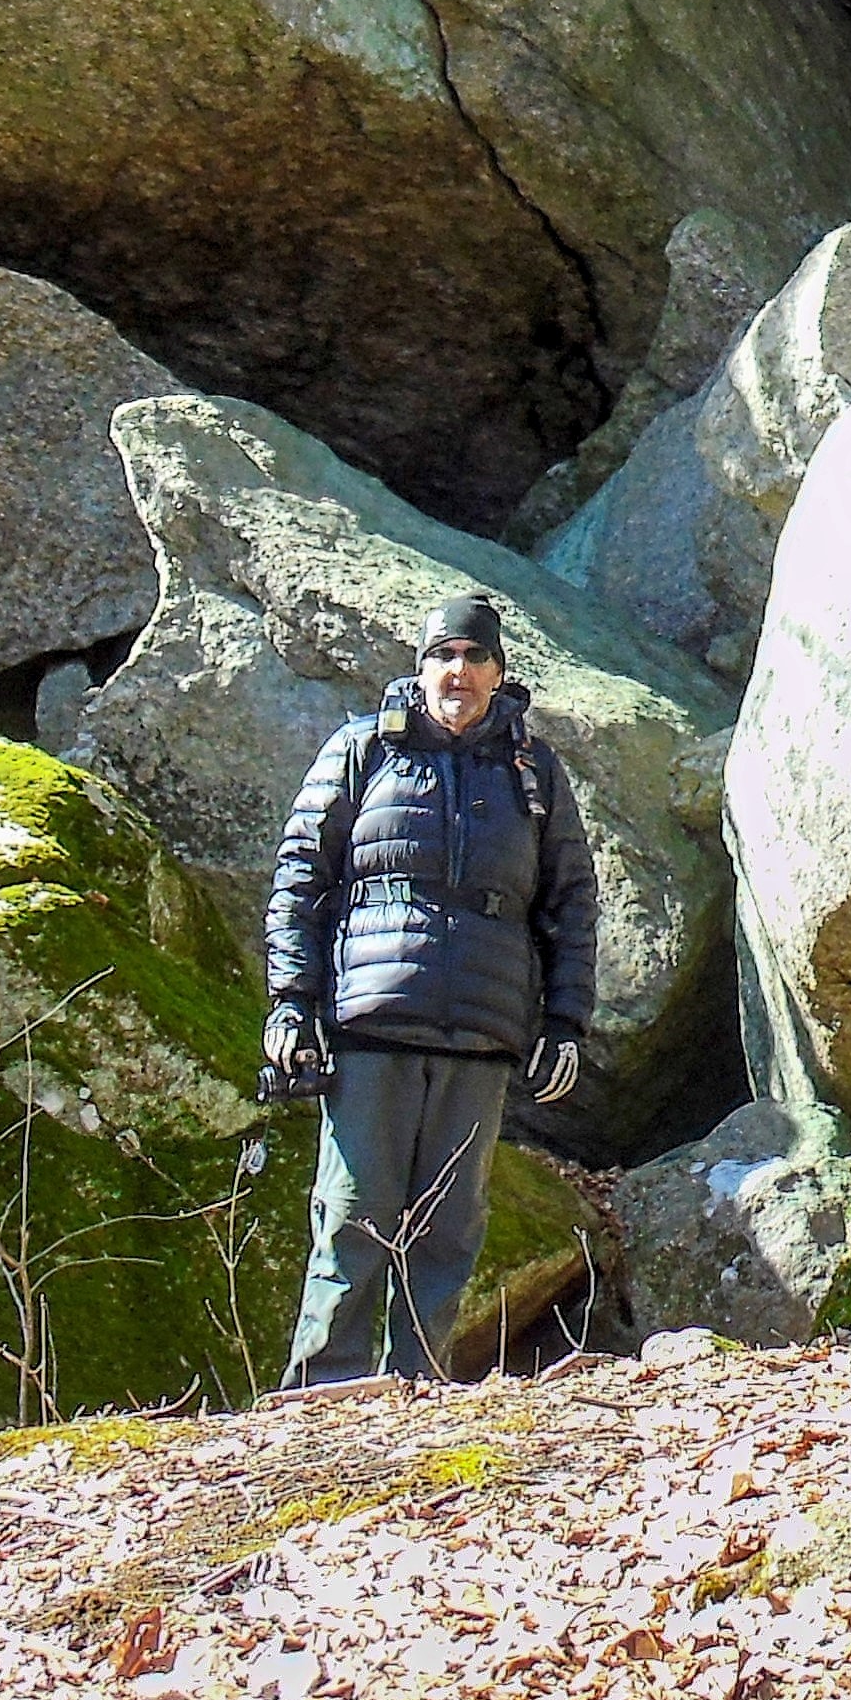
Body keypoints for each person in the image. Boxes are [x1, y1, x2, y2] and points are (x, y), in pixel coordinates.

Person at [264, 589, 595, 1389]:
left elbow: (571, 900)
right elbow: (300, 879)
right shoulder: (361, 751)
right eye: (444, 655)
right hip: (369, 1029)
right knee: (353, 1220)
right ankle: (323, 1400)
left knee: (449, 1232)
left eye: (476, 657)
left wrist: (565, 1022)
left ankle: (419, 1395)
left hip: (481, 1036)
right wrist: (291, 1002)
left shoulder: (534, 773)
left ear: (499, 674)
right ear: (420, 669)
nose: (459, 671)